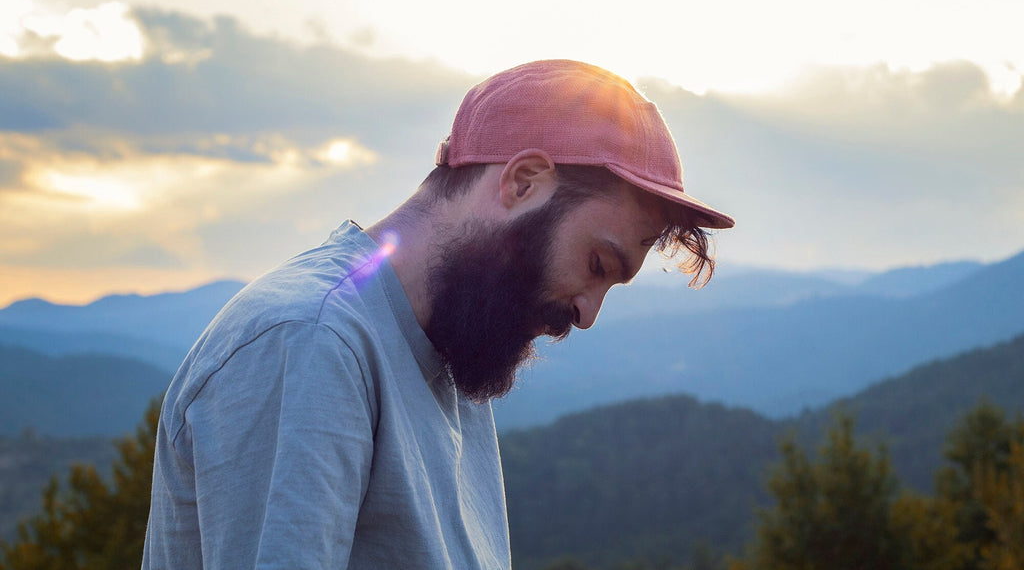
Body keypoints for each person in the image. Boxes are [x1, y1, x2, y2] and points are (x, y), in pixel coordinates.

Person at [142, 59, 734, 569]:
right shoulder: (310, 343)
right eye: (597, 264)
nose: (587, 314)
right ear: (523, 182)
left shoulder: (449, 348)